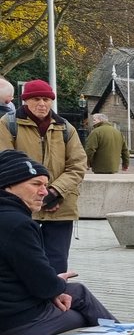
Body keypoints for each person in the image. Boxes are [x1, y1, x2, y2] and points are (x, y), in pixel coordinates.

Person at [0, 150, 114, 335]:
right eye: (36, 184)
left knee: (76, 292)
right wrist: (56, 285)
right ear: (8, 186)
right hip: (15, 324)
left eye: (45, 185)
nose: (44, 192)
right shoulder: (18, 224)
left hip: (11, 313)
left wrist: (55, 288)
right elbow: (42, 283)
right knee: (81, 314)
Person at [0, 79, 86, 274]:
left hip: (59, 207)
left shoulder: (65, 128)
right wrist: (37, 194)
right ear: (25, 101)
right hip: (21, 207)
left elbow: (77, 165)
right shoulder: (8, 125)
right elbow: (6, 163)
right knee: (23, 261)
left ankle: (55, 300)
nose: (42, 104)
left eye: (47, 99)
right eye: (36, 99)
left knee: (57, 262)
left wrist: (55, 192)